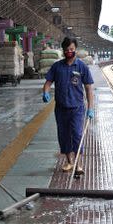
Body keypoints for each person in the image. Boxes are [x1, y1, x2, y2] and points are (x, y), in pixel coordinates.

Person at [41, 37, 95, 175]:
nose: (69, 51)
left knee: (77, 135)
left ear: (75, 49)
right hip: (61, 108)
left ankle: (79, 164)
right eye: (67, 50)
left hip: (77, 108)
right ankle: (69, 161)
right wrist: (45, 92)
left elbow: (89, 88)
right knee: (63, 136)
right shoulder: (57, 66)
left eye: (71, 49)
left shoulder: (82, 66)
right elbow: (48, 82)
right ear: (63, 51)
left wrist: (90, 108)